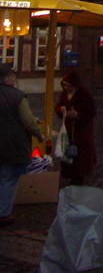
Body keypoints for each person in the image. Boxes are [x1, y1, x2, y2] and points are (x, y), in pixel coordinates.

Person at [0, 62, 44, 225]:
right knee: (9, 178)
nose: (15, 78)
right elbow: (29, 122)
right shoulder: (17, 96)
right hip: (12, 145)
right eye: (13, 76)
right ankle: (3, 213)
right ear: (8, 79)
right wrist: (39, 135)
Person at [54, 70, 96, 186]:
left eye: (69, 86)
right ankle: (68, 175)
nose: (67, 88)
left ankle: (78, 177)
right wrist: (61, 110)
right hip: (68, 128)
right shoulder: (64, 94)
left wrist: (77, 115)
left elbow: (91, 112)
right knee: (67, 152)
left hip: (81, 130)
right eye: (65, 86)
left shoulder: (84, 94)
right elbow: (58, 106)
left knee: (80, 155)